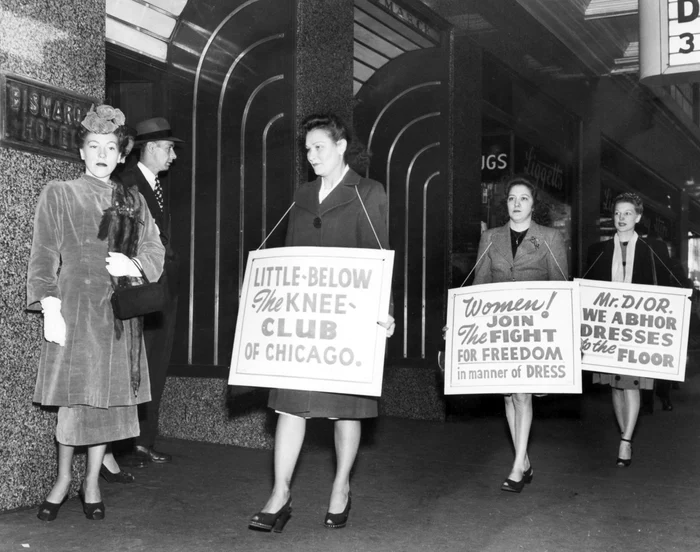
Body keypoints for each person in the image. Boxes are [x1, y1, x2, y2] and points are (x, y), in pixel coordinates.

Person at [249, 113, 395, 532]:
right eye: (307, 149)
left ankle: (341, 487)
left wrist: (384, 311)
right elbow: (289, 256)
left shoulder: (369, 192)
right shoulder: (302, 194)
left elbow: (379, 256)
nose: (312, 156)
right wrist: (264, 291)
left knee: (344, 411)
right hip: (304, 323)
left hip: (348, 321)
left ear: (342, 145)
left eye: (320, 147)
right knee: (288, 406)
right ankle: (280, 494)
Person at [27, 105, 165, 521]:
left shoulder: (133, 200)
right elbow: (44, 253)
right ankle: (63, 479)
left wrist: (136, 265)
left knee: (105, 401)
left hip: (117, 316)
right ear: (82, 152)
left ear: (122, 155)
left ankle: (91, 483)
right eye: (93, 146)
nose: (102, 154)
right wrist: (48, 302)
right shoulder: (60, 192)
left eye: (110, 147)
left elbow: (155, 249)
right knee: (75, 398)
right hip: (73, 310)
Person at [472, 175, 568, 493]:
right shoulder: (490, 237)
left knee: (522, 394)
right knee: (509, 396)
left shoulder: (550, 238)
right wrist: (462, 322)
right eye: (512, 198)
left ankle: (516, 467)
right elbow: (479, 287)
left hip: (532, 332)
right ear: (506, 204)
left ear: (533, 204)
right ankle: (524, 460)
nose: (517, 204)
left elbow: (560, 285)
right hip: (500, 332)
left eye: (523, 198)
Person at [586, 192, 671, 467]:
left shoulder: (652, 249)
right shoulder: (597, 251)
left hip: (636, 329)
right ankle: (627, 435)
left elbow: (668, 285)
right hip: (607, 330)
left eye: (627, 213)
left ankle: (625, 442)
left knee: (631, 385)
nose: (621, 218)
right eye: (617, 214)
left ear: (638, 217)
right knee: (615, 385)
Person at [117, 117, 182, 466]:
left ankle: (143, 439)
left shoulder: (157, 184)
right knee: (137, 363)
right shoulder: (129, 184)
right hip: (140, 290)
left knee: (156, 362)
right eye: (169, 148)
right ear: (152, 148)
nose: (173, 156)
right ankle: (126, 443)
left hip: (163, 289)